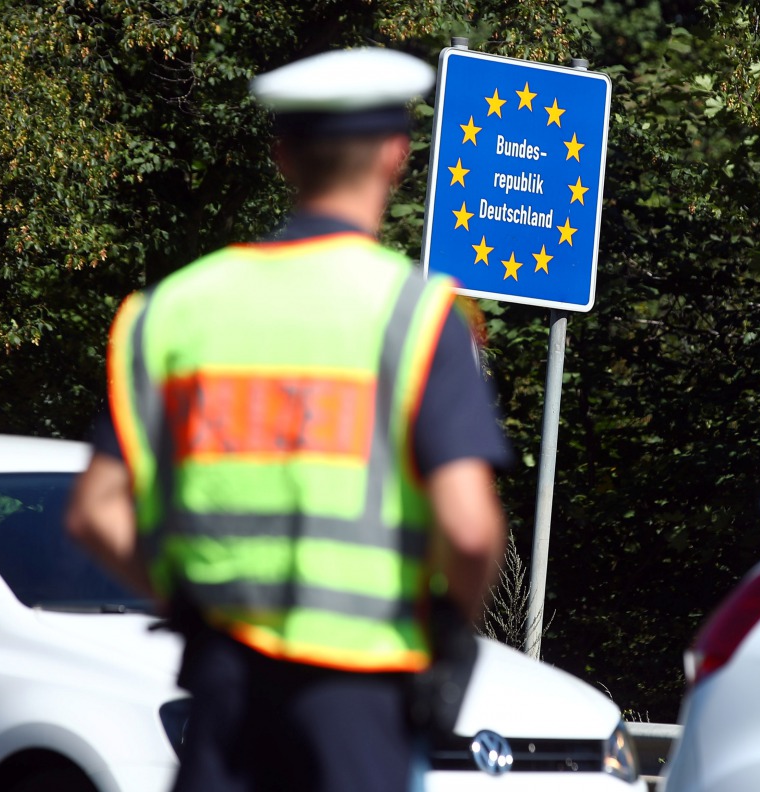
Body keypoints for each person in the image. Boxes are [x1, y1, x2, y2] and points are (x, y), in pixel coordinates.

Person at [65, 47, 511, 792]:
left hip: (223, 686)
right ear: (395, 158)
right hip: (361, 695)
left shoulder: (174, 310)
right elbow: (468, 530)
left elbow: (94, 513)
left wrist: (191, 599)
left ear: (282, 158)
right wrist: (445, 630)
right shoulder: (415, 315)